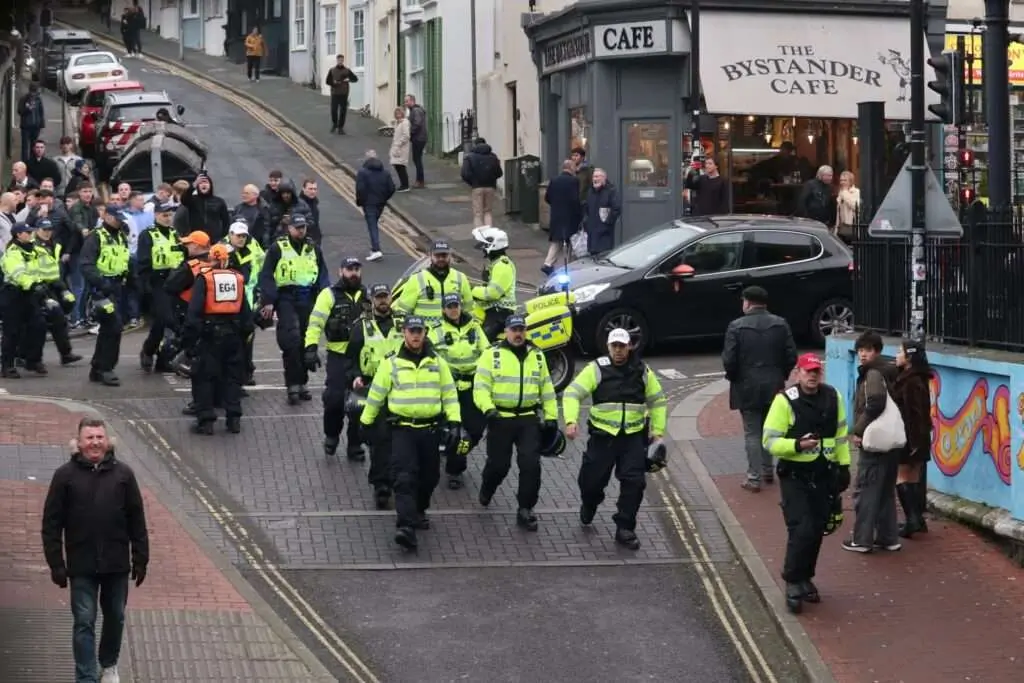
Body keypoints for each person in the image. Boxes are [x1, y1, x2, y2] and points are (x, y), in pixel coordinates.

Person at [41, 417, 149, 683]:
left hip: (116, 564)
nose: (95, 443)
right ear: (78, 443)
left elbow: (137, 519)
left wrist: (141, 558)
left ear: (107, 441)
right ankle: (86, 676)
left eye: (100, 437)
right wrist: (56, 563)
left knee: (116, 617)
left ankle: (108, 664)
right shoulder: (64, 476)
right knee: (84, 621)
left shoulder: (124, 475)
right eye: (89, 438)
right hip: (81, 565)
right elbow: (51, 523)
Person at [360, 315, 461, 550]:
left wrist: (455, 422)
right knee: (404, 478)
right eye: (411, 331)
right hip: (402, 430)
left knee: (430, 478)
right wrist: (366, 422)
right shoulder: (391, 364)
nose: (415, 335)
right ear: (404, 333)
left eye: (419, 331)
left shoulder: (438, 363)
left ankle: (418, 510)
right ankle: (405, 526)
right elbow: (376, 394)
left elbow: (449, 395)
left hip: (430, 430)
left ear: (425, 333)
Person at [562, 328, 667, 548]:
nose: (618, 350)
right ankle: (589, 504)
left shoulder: (642, 371)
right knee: (590, 483)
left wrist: (657, 433)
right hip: (603, 437)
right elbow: (572, 393)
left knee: (634, 483)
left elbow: (657, 401)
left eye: (622, 346)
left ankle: (625, 528)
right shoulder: (597, 369)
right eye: (614, 346)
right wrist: (571, 420)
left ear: (629, 346)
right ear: (608, 347)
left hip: (633, 438)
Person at [762, 353, 851, 614]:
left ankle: (805, 578)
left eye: (816, 371)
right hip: (795, 476)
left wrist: (844, 467)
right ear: (798, 373)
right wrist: (797, 445)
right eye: (807, 371)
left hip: (824, 474)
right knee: (801, 528)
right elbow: (769, 442)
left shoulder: (834, 397)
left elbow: (841, 436)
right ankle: (792, 581)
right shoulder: (784, 402)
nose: (812, 376)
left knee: (818, 529)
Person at [473, 314, 559, 531]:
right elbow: (480, 388)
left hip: (528, 419)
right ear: (506, 332)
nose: (518, 334)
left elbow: (547, 389)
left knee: (531, 465)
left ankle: (525, 509)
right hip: (500, 418)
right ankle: (488, 487)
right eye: (514, 330)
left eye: (521, 329)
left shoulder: (537, 356)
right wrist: (488, 409)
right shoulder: (491, 356)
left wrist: (551, 417)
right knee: (499, 466)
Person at [721, 285, 798, 492]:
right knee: (770, 428)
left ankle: (754, 478)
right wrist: (781, 375)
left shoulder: (736, 326)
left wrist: (734, 377)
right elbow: (791, 356)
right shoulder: (780, 324)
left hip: (746, 386)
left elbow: (729, 360)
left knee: (752, 432)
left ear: (747, 302)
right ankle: (767, 470)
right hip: (774, 384)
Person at [257, 213, 330, 405]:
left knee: (306, 341)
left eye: (303, 227)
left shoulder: (313, 248)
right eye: (297, 227)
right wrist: (269, 300)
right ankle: (292, 385)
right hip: (286, 298)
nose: (301, 230)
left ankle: (302, 383)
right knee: (291, 340)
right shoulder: (278, 248)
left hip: (308, 298)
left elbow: (323, 275)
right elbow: (266, 275)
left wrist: (326, 297)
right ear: (289, 229)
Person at [182, 244, 252, 435]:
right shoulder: (238, 279)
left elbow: (194, 312)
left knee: (204, 377)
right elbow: (246, 313)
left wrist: (189, 342)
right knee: (232, 378)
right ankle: (233, 419)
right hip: (233, 335)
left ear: (212, 259)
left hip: (209, 335)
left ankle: (206, 421)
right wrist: (243, 336)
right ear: (226, 259)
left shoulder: (205, 279)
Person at [346, 283, 404, 508]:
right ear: (371, 300)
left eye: (385, 296)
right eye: (378, 297)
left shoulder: (404, 324)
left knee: (400, 439)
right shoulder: (361, 327)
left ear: (391, 298)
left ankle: (400, 478)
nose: (382, 301)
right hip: (373, 388)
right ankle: (381, 485)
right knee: (380, 439)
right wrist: (355, 377)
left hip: (401, 388)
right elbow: (350, 359)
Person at [304, 257, 368, 458]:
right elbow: (315, 323)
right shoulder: (328, 295)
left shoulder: (367, 295)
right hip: (338, 357)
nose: (354, 273)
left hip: (363, 359)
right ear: (341, 271)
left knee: (359, 404)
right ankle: (331, 435)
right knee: (334, 401)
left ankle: (355, 445)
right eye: (349, 269)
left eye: (357, 269)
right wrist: (311, 348)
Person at [844, 330, 901, 553]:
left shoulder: (874, 374)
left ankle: (862, 540)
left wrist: (858, 430)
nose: (862, 355)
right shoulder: (891, 370)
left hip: (875, 440)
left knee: (866, 490)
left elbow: (875, 402)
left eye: (867, 350)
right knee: (885, 491)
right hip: (892, 440)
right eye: (860, 350)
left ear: (876, 351)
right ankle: (888, 538)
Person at [429, 293, 489, 489]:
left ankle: (453, 451)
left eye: (456, 305)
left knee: (476, 429)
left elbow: (487, 352)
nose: (453, 309)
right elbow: (431, 356)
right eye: (449, 306)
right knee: (451, 427)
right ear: (443, 309)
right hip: (448, 387)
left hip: (472, 386)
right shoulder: (436, 330)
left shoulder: (474, 327)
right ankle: (455, 470)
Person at [80, 209, 131, 386]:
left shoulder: (120, 236)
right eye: (117, 219)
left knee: (108, 329)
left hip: (117, 287)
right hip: (101, 288)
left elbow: (124, 260)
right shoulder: (95, 237)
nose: (119, 222)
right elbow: (86, 265)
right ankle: (106, 368)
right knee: (113, 326)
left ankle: (97, 367)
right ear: (107, 217)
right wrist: (102, 285)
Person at [892, 339, 933, 538]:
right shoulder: (919, 378)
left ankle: (912, 520)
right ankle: (918, 519)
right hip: (919, 437)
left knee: (901, 476)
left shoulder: (910, 382)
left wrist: (914, 442)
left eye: (900, 352)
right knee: (914, 476)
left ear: (908, 357)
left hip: (910, 437)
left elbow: (914, 414)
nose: (896, 355)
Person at [136, 202, 183, 372]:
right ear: (156, 215)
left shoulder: (175, 234)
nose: (168, 218)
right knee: (166, 320)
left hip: (175, 281)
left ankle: (160, 357)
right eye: (164, 215)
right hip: (157, 282)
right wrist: (146, 287)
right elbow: (143, 263)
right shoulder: (148, 235)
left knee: (163, 323)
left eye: (170, 215)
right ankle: (150, 350)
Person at [31, 218, 82, 366]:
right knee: (38, 325)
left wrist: (63, 287)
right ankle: (31, 358)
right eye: (44, 230)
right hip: (38, 287)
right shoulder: (33, 246)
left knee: (59, 320)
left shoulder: (55, 244)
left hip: (54, 285)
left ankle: (65, 354)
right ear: (37, 230)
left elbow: (55, 270)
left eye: (49, 229)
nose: (47, 232)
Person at [393, 240, 473, 327]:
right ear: (430, 256)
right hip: (425, 336)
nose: (441, 259)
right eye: (437, 255)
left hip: (454, 335)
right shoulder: (416, 279)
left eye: (444, 255)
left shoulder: (460, 278)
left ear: (450, 256)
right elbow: (402, 310)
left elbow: (469, 309)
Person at [1, 224, 46, 377]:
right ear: (18, 235)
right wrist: (33, 284)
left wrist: (42, 283)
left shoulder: (32, 250)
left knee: (38, 326)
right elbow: (18, 273)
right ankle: (7, 366)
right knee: (12, 331)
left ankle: (32, 360)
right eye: (27, 232)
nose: (31, 234)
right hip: (13, 294)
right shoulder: (13, 252)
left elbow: (39, 270)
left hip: (30, 294)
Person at [224, 221, 265, 384]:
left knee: (247, 339)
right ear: (230, 235)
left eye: (243, 236)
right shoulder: (222, 251)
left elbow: (259, 271)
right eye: (238, 236)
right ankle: (234, 376)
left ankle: (245, 372)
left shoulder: (252, 250)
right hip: (229, 304)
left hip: (247, 303)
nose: (241, 239)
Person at [470, 226, 517, 341]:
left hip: (500, 314)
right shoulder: (496, 264)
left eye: (484, 246)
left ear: (492, 245)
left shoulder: (502, 266)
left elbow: (492, 293)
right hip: (492, 311)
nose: (482, 249)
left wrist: (471, 289)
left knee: (481, 341)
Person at [543, 160, 583, 275]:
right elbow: (575, 199)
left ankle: (548, 263)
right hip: (570, 216)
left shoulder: (554, 180)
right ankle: (569, 266)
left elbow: (547, 198)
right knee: (571, 240)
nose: (576, 169)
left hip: (556, 215)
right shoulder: (574, 181)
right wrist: (579, 214)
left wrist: (556, 205)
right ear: (571, 168)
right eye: (575, 167)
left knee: (557, 241)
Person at [355, 150, 395, 263]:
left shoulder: (363, 172)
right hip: (380, 204)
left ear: (366, 159)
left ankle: (376, 250)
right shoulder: (385, 172)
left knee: (372, 226)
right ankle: (374, 249)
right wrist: (384, 198)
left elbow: (360, 189)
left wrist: (360, 201)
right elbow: (391, 188)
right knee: (374, 224)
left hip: (369, 204)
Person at [461, 137, 503, 228]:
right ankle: (489, 234)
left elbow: (465, 174)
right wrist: (492, 179)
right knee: (488, 211)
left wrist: (472, 183)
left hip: (477, 187)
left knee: (478, 213)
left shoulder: (469, 157)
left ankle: (480, 236)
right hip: (490, 187)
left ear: (475, 145)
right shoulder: (493, 157)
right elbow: (499, 173)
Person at [179, 173, 231, 244]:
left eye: (206, 182)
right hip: (197, 240)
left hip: (215, 240)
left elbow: (226, 222)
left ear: (210, 185)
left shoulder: (219, 201)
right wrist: (193, 185)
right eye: (201, 183)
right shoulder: (193, 200)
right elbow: (184, 199)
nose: (203, 184)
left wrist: (223, 239)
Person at [584, 168, 621, 254]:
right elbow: (586, 208)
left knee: (603, 256)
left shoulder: (611, 191)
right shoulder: (590, 191)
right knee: (592, 256)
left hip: (605, 233)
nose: (595, 179)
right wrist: (586, 222)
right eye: (594, 177)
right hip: (592, 232)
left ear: (604, 178)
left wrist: (607, 222)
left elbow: (616, 208)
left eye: (597, 177)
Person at [325, 54, 358, 134]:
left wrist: (348, 79)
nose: (340, 61)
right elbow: (327, 81)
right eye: (339, 60)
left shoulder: (347, 70)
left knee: (343, 111)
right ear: (337, 60)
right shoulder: (332, 70)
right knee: (334, 110)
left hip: (344, 93)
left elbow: (355, 79)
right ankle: (335, 124)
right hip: (335, 93)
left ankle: (340, 127)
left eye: (341, 60)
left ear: (343, 61)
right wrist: (333, 83)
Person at [404, 94, 428, 188]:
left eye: (407, 101)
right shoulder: (415, 110)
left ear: (412, 101)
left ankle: (420, 181)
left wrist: (410, 132)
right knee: (417, 159)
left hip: (418, 138)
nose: (405, 103)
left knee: (417, 159)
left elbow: (417, 123)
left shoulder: (416, 110)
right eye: (405, 101)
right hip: (420, 138)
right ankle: (420, 180)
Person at [17, 84, 45, 164]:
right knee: (25, 146)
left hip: (36, 126)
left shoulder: (38, 99)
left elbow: (41, 112)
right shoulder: (24, 99)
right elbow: (20, 111)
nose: (34, 94)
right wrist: (27, 109)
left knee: (34, 145)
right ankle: (25, 163)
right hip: (26, 127)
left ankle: (33, 162)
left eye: (35, 92)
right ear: (30, 91)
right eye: (33, 92)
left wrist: (41, 124)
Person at [835, 170, 861, 243]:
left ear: (851, 181)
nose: (842, 182)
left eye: (845, 180)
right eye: (841, 180)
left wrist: (845, 193)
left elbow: (855, 206)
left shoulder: (856, 192)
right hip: (842, 228)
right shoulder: (841, 192)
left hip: (852, 227)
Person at [389, 107, 411, 192]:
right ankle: (403, 184)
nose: (397, 115)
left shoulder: (405, 123)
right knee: (397, 166)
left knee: (401, 166)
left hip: (401, 148)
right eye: (396, 114)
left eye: (399, 113)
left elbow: (406, 136)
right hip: (397, 148)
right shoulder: (398, 123)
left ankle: (405, 185)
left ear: (402, 113)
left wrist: (399, 144)